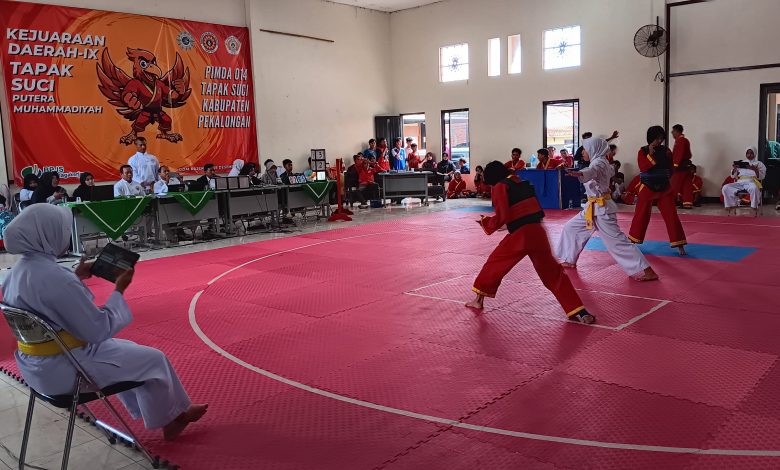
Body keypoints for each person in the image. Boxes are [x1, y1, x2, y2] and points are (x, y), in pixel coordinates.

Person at [1, 204, 208, 440]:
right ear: (47, 234)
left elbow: (45, 301)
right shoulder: (56, 278)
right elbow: (98, 329)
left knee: (131, 349)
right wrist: (119, 289)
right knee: (154, 359)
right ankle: (171, 419)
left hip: (37, 367)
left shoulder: (16, 274)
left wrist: (76, 276)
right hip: (70, 370)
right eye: (62, 230)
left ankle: (172, 414)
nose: (66, 236)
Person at [466, 161, 595, 324]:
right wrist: (506, 223)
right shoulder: (523, 183)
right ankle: (579, 310)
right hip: (538, 233)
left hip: (521, 235)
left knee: (494, 265)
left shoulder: (500, 186)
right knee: (553, 273)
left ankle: (478, 300)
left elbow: (503, 216)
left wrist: (487, 222)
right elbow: (526, 210)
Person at [556, 138, 658, 282]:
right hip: (592, 207)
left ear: (593, 149)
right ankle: (569, 259)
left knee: (617, 241)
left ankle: (647, 270)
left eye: (585, 149)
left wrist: (580, 174)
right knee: (571, 228)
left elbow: (592, 171)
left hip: (602, 209)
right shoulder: (601, 161)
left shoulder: (599, 163)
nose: (583, 152)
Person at [628, 126, 687, 255]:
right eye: (657, 138)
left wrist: (663, 178)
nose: (659, 141)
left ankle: (679, 244)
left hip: (664, 188)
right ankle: (632, 241)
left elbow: (671, 169)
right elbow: (643, 168)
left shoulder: (667, 151)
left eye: (661, 138)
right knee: (641, 215)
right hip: (647, 187)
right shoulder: (642, 151)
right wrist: (650, 155)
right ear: (651, 138)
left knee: (671, 215)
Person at [722, 146, 766, 211]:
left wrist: (754, 169)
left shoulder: (759, 163)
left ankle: (754, 205)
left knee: (754, 188)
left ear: (755, 154)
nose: (749, 155)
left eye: (751, 153)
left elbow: (762, 176)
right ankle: (731, 204)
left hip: (751, 181)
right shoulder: (741, 162)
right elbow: (733, 176)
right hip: (740, 182)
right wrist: (735, 169)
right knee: (725, 187)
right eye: (748, 153)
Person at [669, 124, 694, 209]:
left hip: (680, 166)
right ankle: (687, 203)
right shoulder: (684, 140)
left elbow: (678, 154)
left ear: (677, 131)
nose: (672, 133)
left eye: (673, 131)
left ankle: (669, 202)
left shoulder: (680, 141)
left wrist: (675, 165)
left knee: (674, 184)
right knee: (686, 185)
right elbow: (689, 154)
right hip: (686, 165)